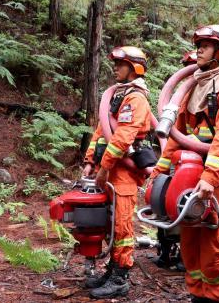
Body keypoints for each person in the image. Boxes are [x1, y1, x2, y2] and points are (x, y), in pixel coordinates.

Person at [149, 25, 219, 303]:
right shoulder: (193, 88)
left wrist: (209, 177)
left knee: (214, 252)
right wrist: (159, 171)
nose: (199, 51)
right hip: (190, 180)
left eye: (205, 46)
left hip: (218, 184)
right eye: (199, 46)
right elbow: (177, 137)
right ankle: (198, 296)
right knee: (190, 249)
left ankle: (216, 298)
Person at [82, 46, 152, 298]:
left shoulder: (136, 98)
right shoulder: (118, 95)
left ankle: (121, 277)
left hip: (123, 172)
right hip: (110, 169)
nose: (116, 68)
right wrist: (90, 161)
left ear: (134, 68)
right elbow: (102, 129)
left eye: (121, 64)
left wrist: (105, 167)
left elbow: (123, 137)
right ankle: (112, 269)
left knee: (122, 225)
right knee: (110, 223)